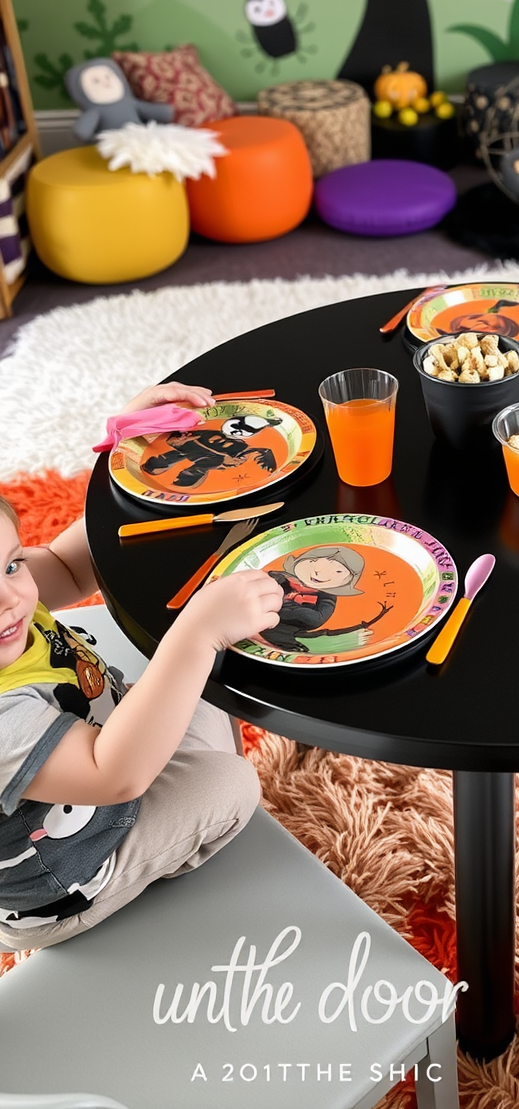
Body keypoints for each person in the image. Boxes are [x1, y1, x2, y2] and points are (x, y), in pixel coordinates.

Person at [0, 381, 283, 951]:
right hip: (71, 868)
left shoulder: (13, 601)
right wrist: (198, 634)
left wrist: (128, 458)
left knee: (198, 666)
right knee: (230, 783)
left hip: (108, 738)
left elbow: (68, 565)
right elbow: (113, 774)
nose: (11, 599)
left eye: (8, 566)